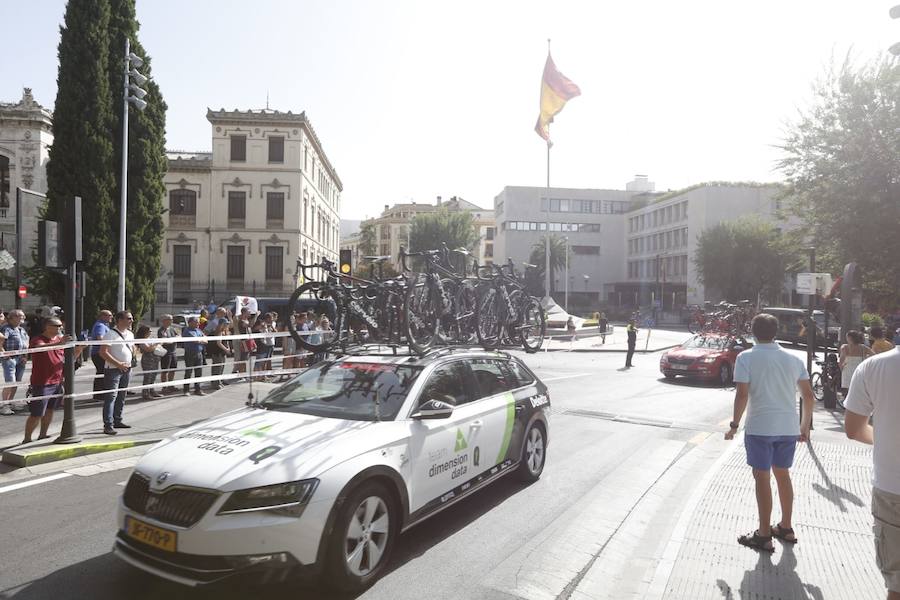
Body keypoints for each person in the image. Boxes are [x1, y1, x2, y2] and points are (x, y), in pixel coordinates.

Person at [725, 313, 814, 552]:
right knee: (783, 475)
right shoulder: (793, 359)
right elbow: (808, 396)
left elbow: (742, 395)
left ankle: (764, 535)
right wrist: (804, 427)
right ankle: (785, 527)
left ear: (753, 332)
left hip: (760, 428)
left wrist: (734, 425)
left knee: (762, 477)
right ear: (775, 332)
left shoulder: (746, 358)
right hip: (788, 428)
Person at [844, 344, 900, 600]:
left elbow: (854, 429)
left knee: (897, 585)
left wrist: (889, 438)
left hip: (892, 488)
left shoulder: (873, 367)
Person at [22, 316, 85, 443]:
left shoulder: (59, 340)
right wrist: (60, 343)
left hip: (57, 382)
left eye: (60, 326)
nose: (60, 328)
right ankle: (27, 439)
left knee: (50, 410)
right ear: (47, 327)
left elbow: (67, 361)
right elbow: (40, 348)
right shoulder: (38, 339)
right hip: (42, 383)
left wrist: (78, 351)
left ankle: (43, 435)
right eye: (57, 326)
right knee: (37, 414)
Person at [97, 310, 136, 435]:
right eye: (129, 318)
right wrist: (118, 364)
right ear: (120, 320)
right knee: (111, 396)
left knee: (122, 395)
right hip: (113, 369)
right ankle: (108, 424)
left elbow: (133, 348)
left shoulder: (130, 334)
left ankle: (117, 420)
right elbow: (103, 352)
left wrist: (130, 360)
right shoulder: (110, 334)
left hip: (127, 368)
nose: (131, 321)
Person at [1, 310, 29, 415]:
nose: (23, 317)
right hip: (10, 358)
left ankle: (10, 402)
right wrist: (5, 354)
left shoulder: (21, 329)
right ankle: (4, 405)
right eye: (20, 316)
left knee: (16, 382)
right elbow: (1, 341)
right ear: (12, 318)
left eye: (23, 316)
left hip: (20, 358)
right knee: (10, 382)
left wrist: (25, 356)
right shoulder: (6, 329)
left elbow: (26, 342)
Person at [840, 330, 874, 397]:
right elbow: (874, 355)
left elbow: (842, 358)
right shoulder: (863, 347)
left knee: (849, 388)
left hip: (848, 369)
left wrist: (841, 366)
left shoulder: (845, 347)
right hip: (861, 368)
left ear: (849, 338)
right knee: (860, 387)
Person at [89, 310, 113, 398]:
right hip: (99, 353)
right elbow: (100, 338)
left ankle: (100, 393)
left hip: (99, 353)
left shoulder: (103, 325)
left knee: (101, 372)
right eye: (109, 315)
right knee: (101, 373)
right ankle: (99, 394)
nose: (111, 317)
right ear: (102, 316)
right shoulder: (100, 326)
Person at [181, 316, 207, 395]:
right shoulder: (187, 331)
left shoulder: (198, 330)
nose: (198, 323)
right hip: (190, 353)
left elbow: (206, 340)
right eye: (196, 322)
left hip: (199, 353)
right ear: (191, 322)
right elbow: (196, 340)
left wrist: (201, 340)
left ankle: (198, 389)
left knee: (198, 372)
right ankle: (186, 390)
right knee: (189, 372)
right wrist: (200, 340)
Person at [136, 325, 162, 400]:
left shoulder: (150, 339)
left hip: (155, 359)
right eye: (149, 331)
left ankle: (152, 390)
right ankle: (145, 393)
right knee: (148, 377)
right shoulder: (142, 340)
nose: (150, 332)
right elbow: (148, 349)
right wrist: (156, 344)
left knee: (153, 376)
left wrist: (156, 344)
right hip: (147, 360)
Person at [206, 319, 232, 390]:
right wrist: (226, 349)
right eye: (225, 324)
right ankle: (215, 383)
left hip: (222, 352)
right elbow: (219, 343)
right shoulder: (219, 332)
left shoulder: (225, 332)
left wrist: (228, 348)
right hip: (217, 352)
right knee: (217, 367)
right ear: (221, 324)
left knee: (221, 367)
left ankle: (219, 381)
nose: (227, 325)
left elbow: (226, 342)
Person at [157, 315, 179, 394]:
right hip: (166, 353)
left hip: (173, 352)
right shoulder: (161, 330)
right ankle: (164, 387)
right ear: (164, 320)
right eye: (170, 319)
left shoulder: (172, 329)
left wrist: (174, 339)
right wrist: (171, 340)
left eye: (171, 319)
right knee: (165, 370)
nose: (171, 321)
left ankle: (170, 385)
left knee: (173, 369)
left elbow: (178, 336)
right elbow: (163, 340)